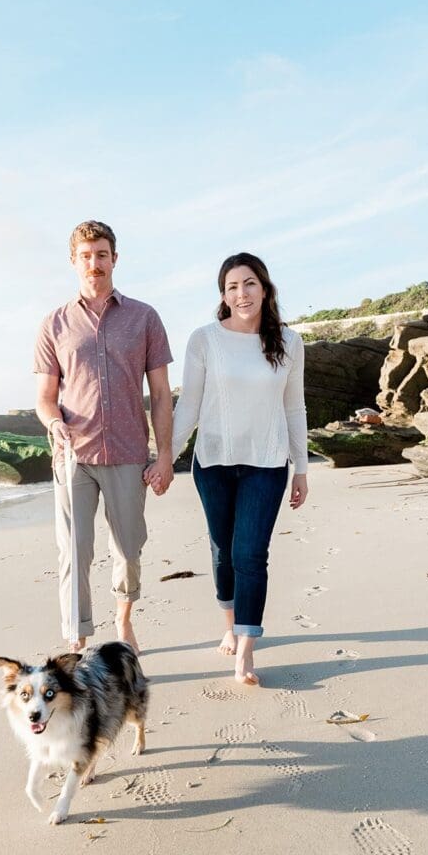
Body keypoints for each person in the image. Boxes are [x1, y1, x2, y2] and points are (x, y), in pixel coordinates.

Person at [159, 252, 308, 685]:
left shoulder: (289, 341)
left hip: (266, 463)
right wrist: (167, 454)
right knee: (223, 551)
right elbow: (188, 404)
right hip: (214, 463)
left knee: (250, 554)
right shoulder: (205, 340)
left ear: (265, 288)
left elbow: (294, 407)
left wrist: (300, 466)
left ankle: (246, 648)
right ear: (223, 295)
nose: (241, 294)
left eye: (248, 284)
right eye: (231, 287)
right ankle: (230, 622)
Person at [34, 220, 174, 653]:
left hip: (130, 451)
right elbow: (44, 397)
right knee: (74, 553)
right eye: (85, 256)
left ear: (115, 258)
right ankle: (76, 639)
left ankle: (123, 619)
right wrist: (53, 422)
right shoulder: (54, 324)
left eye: (101, 254)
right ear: (73, 261)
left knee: (129, 548)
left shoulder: (144, 317)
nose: (94, 263)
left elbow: (162, 393)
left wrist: (165, 454)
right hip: (73, 455)